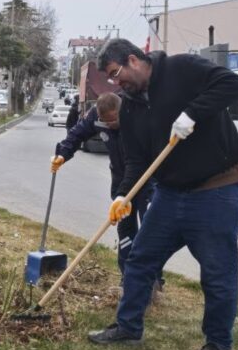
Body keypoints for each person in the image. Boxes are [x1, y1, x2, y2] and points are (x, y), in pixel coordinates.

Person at [86, 38, 238, 350]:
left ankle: (218, 343)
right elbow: (136, 161)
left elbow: (235, 84)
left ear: (134, 59)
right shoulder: (129, 107)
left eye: (117, 73)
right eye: (111, 79)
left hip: (218, 187)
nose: (116, 83)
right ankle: (128, 327)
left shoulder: (182, 69)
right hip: (170, 193)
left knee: (218, 270)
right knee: (140, 259)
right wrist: (123, 195)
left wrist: (193, 113)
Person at [50, 92, 160, 291]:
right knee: (125, 228)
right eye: (105, 122)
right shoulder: (96, 116)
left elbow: (141, 161)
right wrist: (62, 154)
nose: (110, 125)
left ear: (122, 111)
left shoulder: (136, 116)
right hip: (119, 179)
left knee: (149, 229)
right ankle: (127, 276)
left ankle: (153, 278)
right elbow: (76, 133)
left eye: (114, 120)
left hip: (146, 179)